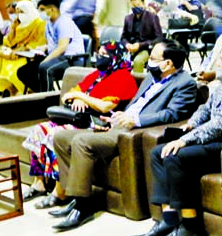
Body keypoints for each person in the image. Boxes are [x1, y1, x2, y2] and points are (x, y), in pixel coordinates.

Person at [48, 40, 199, 230]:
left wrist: (135, 120)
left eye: (152, 58)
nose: (148, 61)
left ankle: (83, 204)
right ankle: (72, 195)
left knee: (81, 141)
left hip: (134, 131)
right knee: (61, 137)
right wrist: (114, 119)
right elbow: (133, 105)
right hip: (119, 124)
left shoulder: (185, 84)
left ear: (168, 63)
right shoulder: (151, 78)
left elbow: (172, 114)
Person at [133, 44, 222, 236]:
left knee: (176, 155)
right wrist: (192, 123)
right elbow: (206, 108)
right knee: (158, 152)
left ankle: (190, 226)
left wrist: (186, 139)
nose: (218, 65)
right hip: (218, 140)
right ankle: (167, 220)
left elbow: (221, 124)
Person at [22, 41, 138, 205]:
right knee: (39, 130)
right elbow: (67, 95)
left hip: (97, 123)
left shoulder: (124, 78)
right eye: (98, 53)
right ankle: (39, 183)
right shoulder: (97, 75)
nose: (99, 57)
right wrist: (77, 97)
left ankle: (60, 191)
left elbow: (105, 107)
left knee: (56, 135)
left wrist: (83, 97)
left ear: (116, 58)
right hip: (78, 117)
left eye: (104, 55)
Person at [16, 0, 86, 93]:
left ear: (52, 9)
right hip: (57, 57)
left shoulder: (64, 22)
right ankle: (44, 93)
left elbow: (62, 46)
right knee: (23, 72)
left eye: (42, 9)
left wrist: (46, 60)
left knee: (45, 67)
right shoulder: (49, 23)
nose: (40, 13)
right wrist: (43, 48)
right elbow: (54, 43)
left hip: (71, 59)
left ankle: (48, 101)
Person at [0, 0, 47, 97]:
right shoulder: (16, 23)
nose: (19, 15)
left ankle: (29, 89)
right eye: (18, 12)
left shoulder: (39, 23)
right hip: (13, 53)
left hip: (27, 55)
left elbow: (40, 42)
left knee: (13, 70)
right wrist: (5, 49)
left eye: (22, 12)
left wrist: (24, 48)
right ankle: (10, 89)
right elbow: (8, 39)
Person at [121, 0, 163, 73]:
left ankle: (137, 84)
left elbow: (159, 38)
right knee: (116, 61)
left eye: (138, 5)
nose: (136, 7)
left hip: (146, 48)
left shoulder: (152, 17)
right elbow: (123, 37)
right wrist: (127, 44)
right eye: (133, 5)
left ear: (143, 4)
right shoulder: (128, 18)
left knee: (138, 61)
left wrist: (140, 45)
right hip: (129, 49)